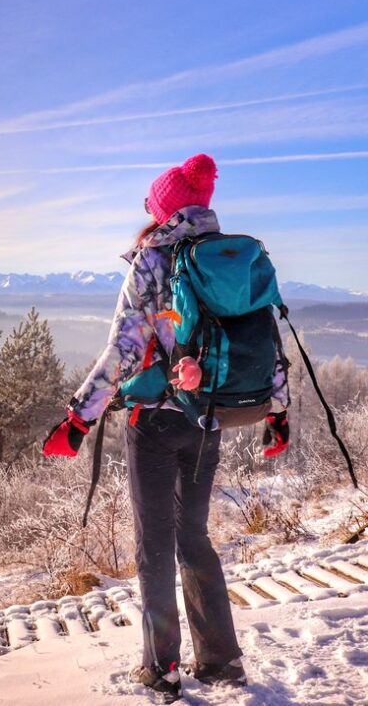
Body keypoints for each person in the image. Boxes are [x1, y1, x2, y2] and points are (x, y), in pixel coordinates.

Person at [42, 153, 290, 703]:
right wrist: (278, 412)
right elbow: (268, 341)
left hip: (154, 423)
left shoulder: (153, 261)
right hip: (210, 418)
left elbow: (124, 350)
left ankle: (163, 668)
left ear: (163, 209)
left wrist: (78, 418)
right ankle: (222, 661)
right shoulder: (234, 258)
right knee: (194, 537)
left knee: (155, 544)